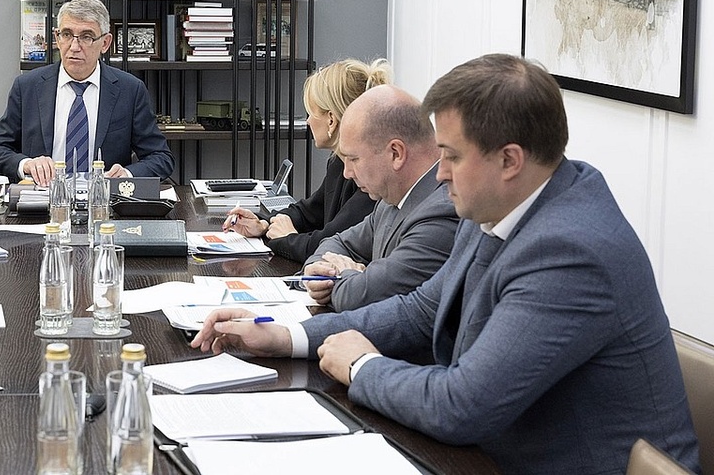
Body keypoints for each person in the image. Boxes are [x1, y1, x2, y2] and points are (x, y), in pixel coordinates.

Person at [193, 54, 701, 474]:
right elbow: (420, 311)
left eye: (452, 157)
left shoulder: (570, 253)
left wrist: (362, 366)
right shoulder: (503, 204)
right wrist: (286, 336)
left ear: (510, 160)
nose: (439, 175)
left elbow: (462, 406)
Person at [297, 84, 458, 311]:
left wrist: (345, 275)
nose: (347, 173)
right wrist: (318, 272)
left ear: (396, 153)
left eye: (354, 159)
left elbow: (364, 296)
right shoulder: (390, 199)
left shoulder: (442, 210)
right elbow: (337, 243)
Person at [0, 0, 174, 186]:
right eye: (67, 34)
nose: (74, 47)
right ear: (57, 38)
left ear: (105, 43)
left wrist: (126, 174)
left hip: (104, 198)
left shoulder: (130, 90)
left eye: (86, 37)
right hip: (43, 197)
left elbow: (161, 157)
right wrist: (27, 164)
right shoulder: (27, 86)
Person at [223, 58, 390, 262]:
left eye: (310, 113)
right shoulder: (338, 163)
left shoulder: (370, 176)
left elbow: (328, 245)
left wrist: (287, 238)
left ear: (331, 119)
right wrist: (264, 224)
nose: (308, 121)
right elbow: (309, 212)